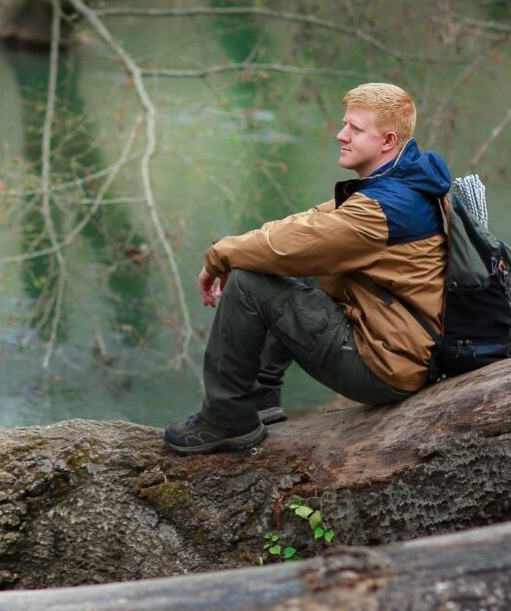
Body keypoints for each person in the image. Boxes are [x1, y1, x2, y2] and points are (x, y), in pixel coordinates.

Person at [164, 83, 451, 454]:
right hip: (410, 349)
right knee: (286, 261)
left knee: (251, 280)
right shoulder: (404, 181)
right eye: (344, 124)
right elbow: (307, 225)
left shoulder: (383, 209)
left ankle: (227, 419)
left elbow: (285, 248)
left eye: (355, 129)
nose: (340, 134)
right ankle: (261, 401)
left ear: (388, 140)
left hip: (385, 366)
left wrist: (219, 255)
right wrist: (241, 249)